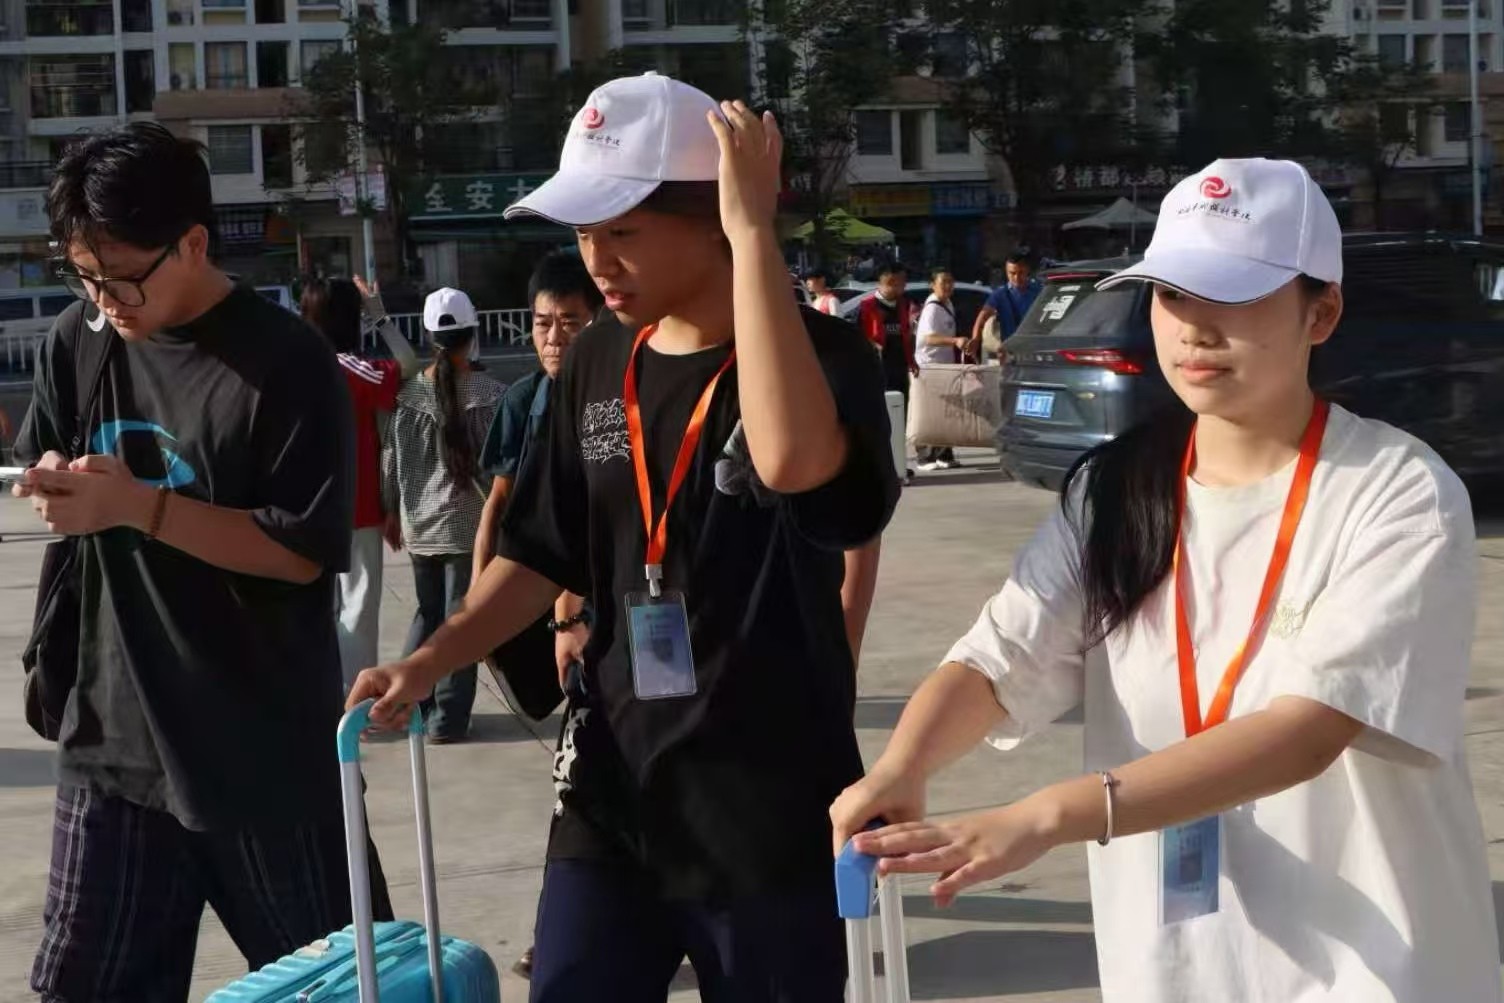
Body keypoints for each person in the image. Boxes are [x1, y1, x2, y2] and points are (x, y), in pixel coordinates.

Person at [831, 158, 1501, 1002]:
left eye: (1235, 296)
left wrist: (1050, 813)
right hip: (1173, 967)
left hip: (1372, 973)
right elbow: (1002, 655)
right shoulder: (1114, 493)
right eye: (1173, 294)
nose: (1194, 328)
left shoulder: (1395, 492)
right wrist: (905, 763)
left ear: (1321, 311)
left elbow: (1309, 728)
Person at [349, 72, 898, 1002]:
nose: (597, 261)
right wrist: (429, 660)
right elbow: (537, 552)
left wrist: (755, 234)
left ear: (715, 216)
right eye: (583, 233)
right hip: (614, 780)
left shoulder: (826, 358)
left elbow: (793, 461)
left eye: (624, 233)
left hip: (764, 794)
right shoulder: (599, 355)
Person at [13, 122, 392, 1001]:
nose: (106, 298)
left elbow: (299, 554)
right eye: (84, 275)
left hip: (263, 754)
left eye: (122, 278)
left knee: (342, 985)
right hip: (112, 743)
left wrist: (137, 506)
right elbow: (52, 470)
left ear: (192, 242)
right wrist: (58, 486)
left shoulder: (284, 361)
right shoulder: (80, 339)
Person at [473, 251, 601, 980]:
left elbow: (584, 527)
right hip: (534, 600)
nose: (554, 338)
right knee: (581, 782)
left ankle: (568, 933)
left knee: (580, 781)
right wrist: (476, 608)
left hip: (590, 616)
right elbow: (497, 506)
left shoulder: (613, 398)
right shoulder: (525, 400)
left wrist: (566, 617)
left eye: (570, 323)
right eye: (543, 324)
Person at [382, 286, 504, 744]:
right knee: (459, 622)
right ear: (472, 335)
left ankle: (406, 702)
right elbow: (502, 466)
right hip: (467, 528)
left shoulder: (408, 395)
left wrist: (392, 512)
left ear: (428, 336)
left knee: (427, 613)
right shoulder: (492, 394)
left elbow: (390, 459)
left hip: (419, 526)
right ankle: (447, 719)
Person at [302, 274, 421, 690]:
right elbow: (408, 365)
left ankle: (318, 692)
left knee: (315, 608)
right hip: (356, 506)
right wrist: (381, 316)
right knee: (358, 606)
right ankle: (353, 696)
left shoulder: (293, 367)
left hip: (302, 508)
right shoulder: (355, 370)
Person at [913, 266, 966, 471]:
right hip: (929, 366)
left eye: (950, 281)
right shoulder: (932, 308)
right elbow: (929, 338)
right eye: (943, 282)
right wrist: (954, 341)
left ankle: (944, 455)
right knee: (929, 414)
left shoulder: (948, 303)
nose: (948, 286)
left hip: (944, 366)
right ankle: (925, 457)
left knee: (945, 412)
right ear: (933, 285)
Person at [970, 249, 1041, 359]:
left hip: (1035, 349)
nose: (1016, 277)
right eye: (1012, 273)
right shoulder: (1000, 294)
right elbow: (982, 317)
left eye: (1020, 272)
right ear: (1007, 272)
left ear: (1027, 270)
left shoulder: (1038, 291)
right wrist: (975, 339)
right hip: (1009, 351)